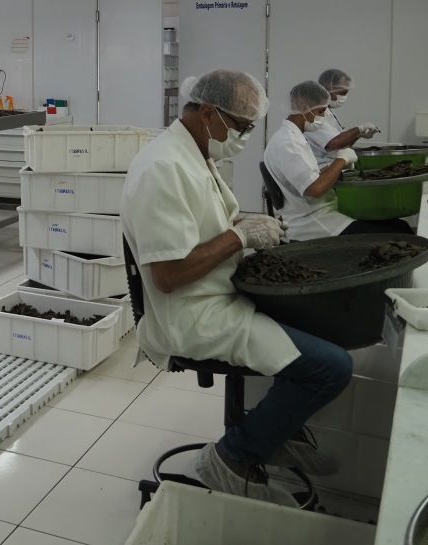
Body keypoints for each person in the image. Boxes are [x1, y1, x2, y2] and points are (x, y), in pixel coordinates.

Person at [121, 69, 352, 507]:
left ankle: (273, 432)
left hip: (219, 288)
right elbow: (167, 275)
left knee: (319, 318)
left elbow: (205, 223)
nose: (244, 138)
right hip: (194, 312)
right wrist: (240, 236)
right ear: (208, 112)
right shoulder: (162, 167)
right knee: (331, 367)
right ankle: (233, 456)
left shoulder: (194, 153)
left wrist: (244, 224)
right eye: (242, 127)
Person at [264, 80, 413, 239]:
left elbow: (311, 175)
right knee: (398, 236)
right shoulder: (288, 143)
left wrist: (333, 167)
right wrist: (341, 160)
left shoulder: (295, 137)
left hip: (323, 210)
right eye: (321, 111)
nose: (322, 117)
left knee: (400, 225)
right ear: (302, 106)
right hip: (313, 222)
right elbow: (315, 189)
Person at [305, 69, 379, 168]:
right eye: (342, 93)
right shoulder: (314, 112)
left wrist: (357, 135)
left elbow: (341, 144)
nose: (344, 97)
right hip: (318, 169)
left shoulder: (328, 112)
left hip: (329, 167)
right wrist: (359, 129)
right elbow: (333, 143)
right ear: (328, 88)